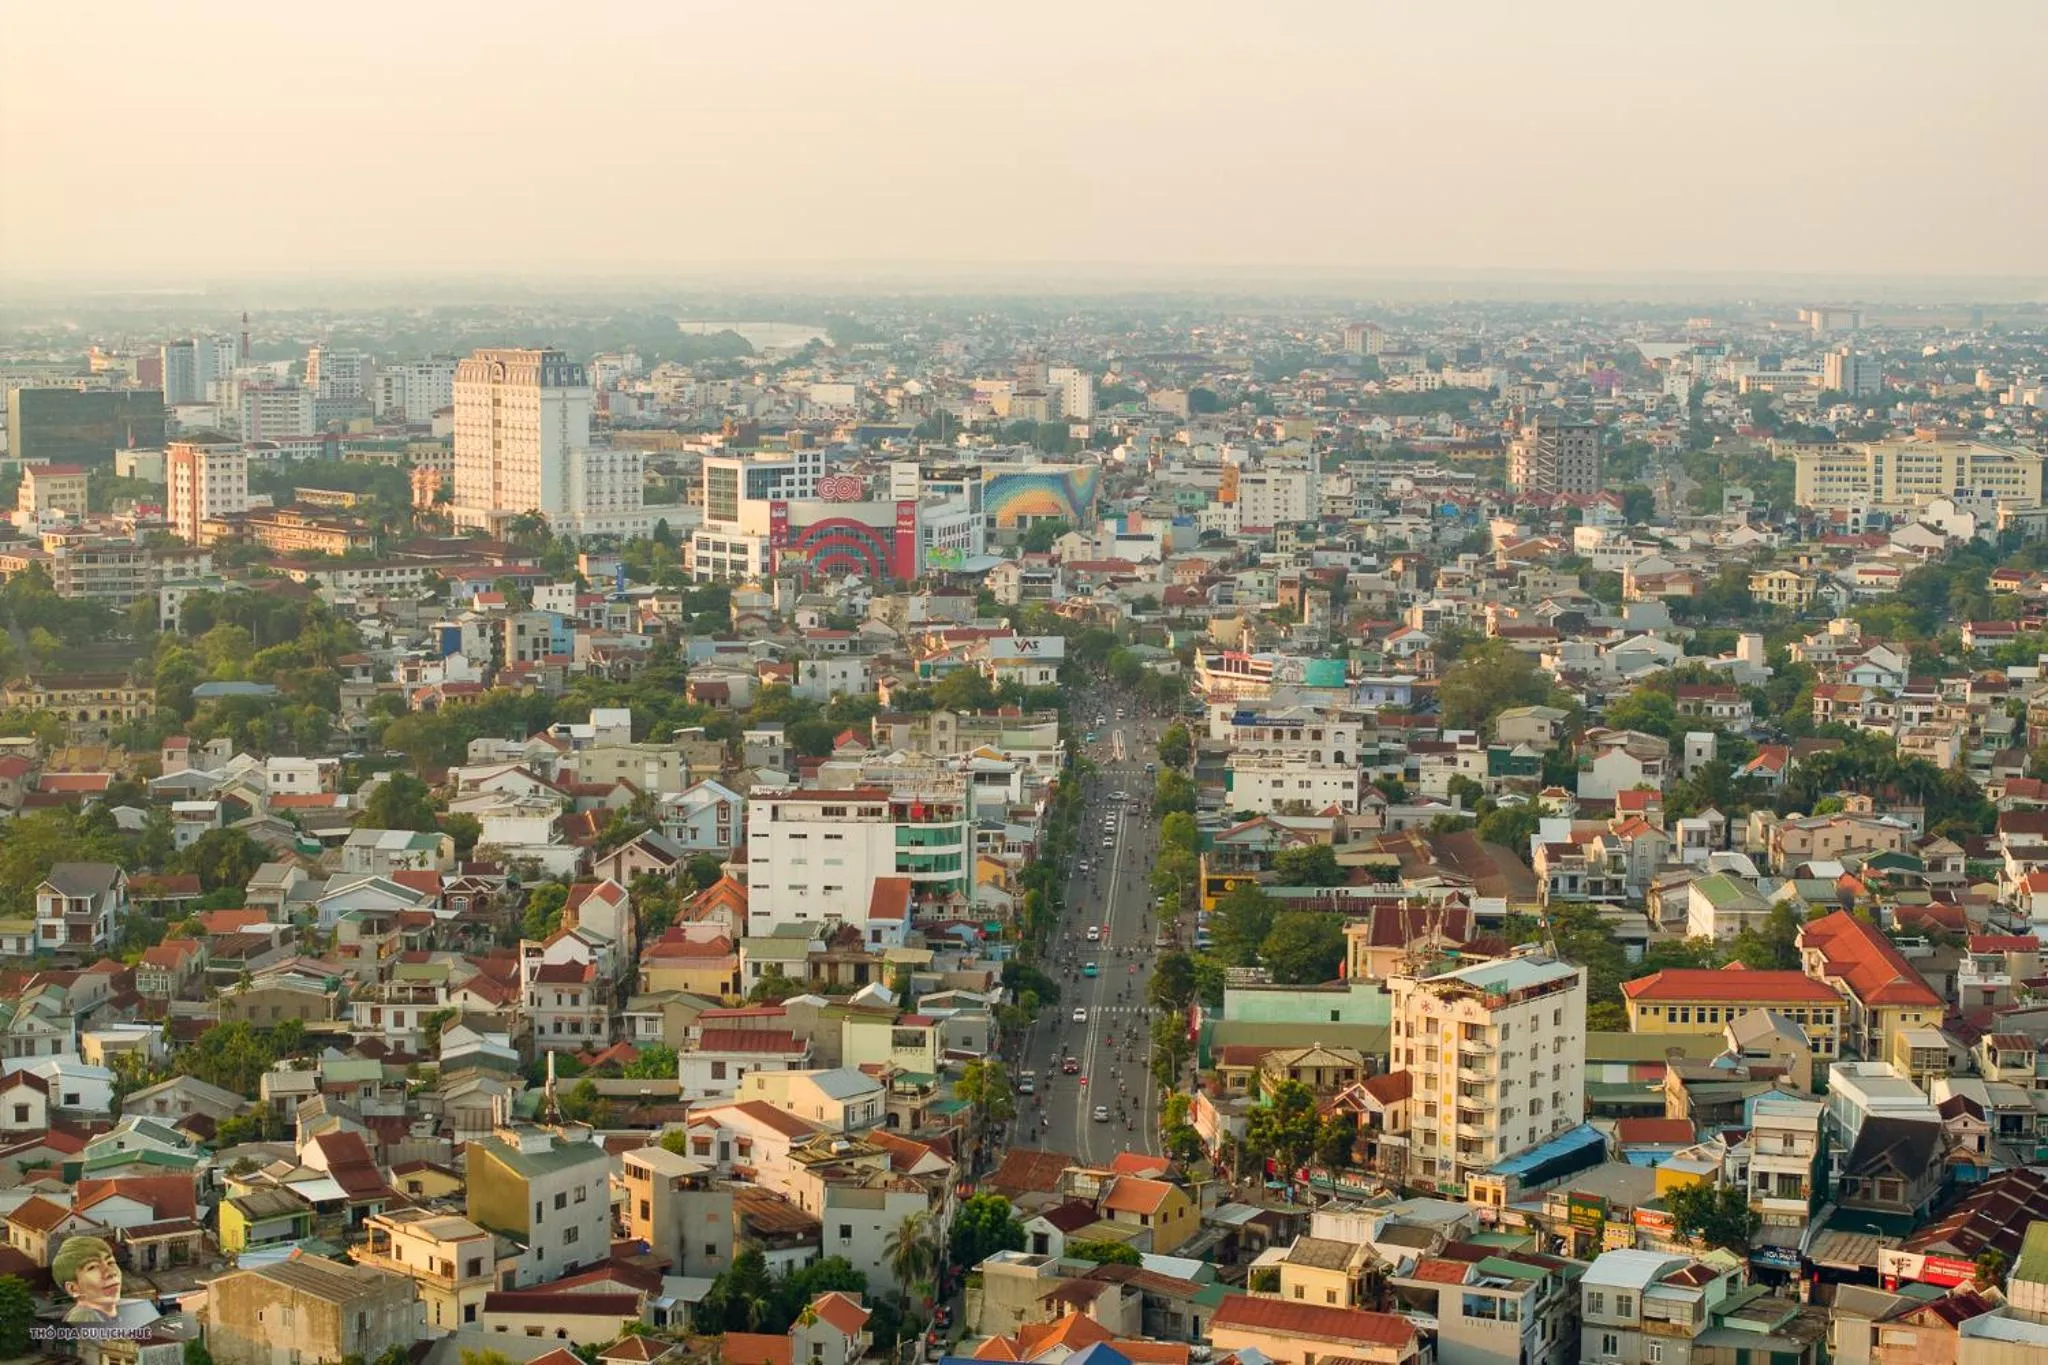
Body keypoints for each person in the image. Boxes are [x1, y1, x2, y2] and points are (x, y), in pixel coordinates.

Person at [54, 1234, 123, 1323]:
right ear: (73, 1288)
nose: (111, 1273)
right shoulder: (85, 1319)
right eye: (93, 1267)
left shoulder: (103, 1317)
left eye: (110, 1262)